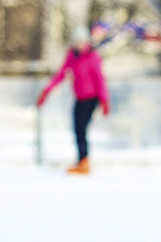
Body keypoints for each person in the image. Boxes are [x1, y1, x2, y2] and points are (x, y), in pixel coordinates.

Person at [36, 26, 110, 174]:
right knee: (77, 128)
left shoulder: (93, 57)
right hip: (80, 97)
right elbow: (61, 74)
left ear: (86, 42)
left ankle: (84, 162)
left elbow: (100, 80)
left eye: (81, 42)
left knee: (81, 128)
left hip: (92, 98)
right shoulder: (72, 56)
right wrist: (47, 90)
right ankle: (82, 160)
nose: (79, 45)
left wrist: (104, 100)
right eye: (76, 42)